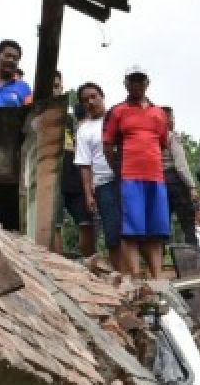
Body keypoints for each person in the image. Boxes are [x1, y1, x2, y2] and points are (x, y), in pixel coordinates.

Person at [103, 65, 170, 279]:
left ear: (147, 83)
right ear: (126, 84)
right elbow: (107, 145)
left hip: (155, 177)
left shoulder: (159, 113)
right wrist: (117, 169)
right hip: (129, 177)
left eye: (141, 80)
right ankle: (136, 275)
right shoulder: (117, 111)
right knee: (130, 229)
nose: (137, 84)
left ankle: (158, 278)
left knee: (156, 230)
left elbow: (162, 143)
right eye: (133, 80)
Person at [75, 82, 121, 268]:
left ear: (102, 97)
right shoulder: (84, 130)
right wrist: (88, 194)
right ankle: (122, 275)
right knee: (112, 233)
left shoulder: (118, 117)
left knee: (135, 230)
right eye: (85, 100)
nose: (91, 102)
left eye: (94, 96)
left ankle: (141, 273)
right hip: (103, 183)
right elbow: (84, 164)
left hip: (127, 180)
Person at [52, 72, 95, 257]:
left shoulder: (71, 120)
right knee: (55, 225)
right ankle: (57, 266)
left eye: (57, 86)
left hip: (75, 178)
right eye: (51, 86)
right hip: (51, 180)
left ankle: (89, 267)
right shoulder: (34, 115)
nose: (55, 90)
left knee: (87, 223)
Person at [161, 107, 200, 245]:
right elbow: (181, 165)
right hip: (175, 181)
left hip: (158, 182)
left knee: (162, 223)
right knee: (188, 223)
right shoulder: (171, 136)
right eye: (172, 117)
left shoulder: (152, 138)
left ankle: (158, 259)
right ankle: (192, 258)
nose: (174, 121)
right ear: (167, 119)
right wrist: (191, 186)